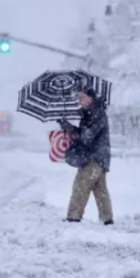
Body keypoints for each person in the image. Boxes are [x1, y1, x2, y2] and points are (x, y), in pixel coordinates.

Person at [58, 87, 113, 225]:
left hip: (93, 157)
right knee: (100, 190)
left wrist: (70, 128)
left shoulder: (97, 114)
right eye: (78, 98)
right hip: (100, 157)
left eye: (82, 97)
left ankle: (73, 217)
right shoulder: (90, 113)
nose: (80, 101)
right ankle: (107, 219)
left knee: (80, 185)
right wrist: (67, 126)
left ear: (91, 98)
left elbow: (86, 136)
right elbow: (84, 134)